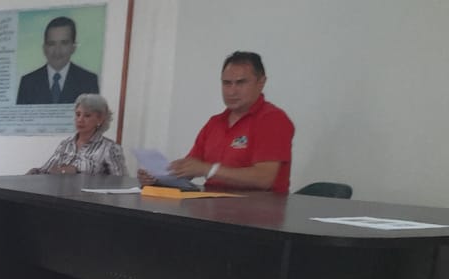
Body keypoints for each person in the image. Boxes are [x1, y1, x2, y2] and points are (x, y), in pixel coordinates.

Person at [140, 51, 294, 193]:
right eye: (226, 83)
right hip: (211, 205)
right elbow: (191, 167)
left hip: (258, 210)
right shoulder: (215, 123)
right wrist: (159, 177)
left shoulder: (273, 119)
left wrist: (210, 170)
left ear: (261, 82)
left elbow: (264, 178)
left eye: (241, 83)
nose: (231, 91)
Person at [26, 93, 125, 176]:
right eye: (78, 114)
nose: (80, 120)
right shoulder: (66, 144)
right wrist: (33, 172)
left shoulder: (110, 148)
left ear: (100, 119)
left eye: (87, 115)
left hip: (88, 194)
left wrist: (76, 170)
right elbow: (46, 170)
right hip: (59, 192)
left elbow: (120, 183)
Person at [16, 16, 100, 105]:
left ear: (73, 47)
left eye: (64, 43)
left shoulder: (88, 81)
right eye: (51, 44)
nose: (57, 51)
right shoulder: (28, 82)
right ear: (44, 48)